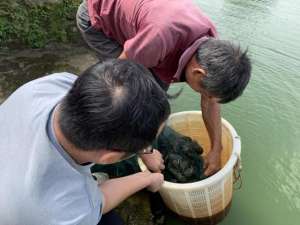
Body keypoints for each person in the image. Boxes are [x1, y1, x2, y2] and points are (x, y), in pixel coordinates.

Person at [76, 0, 252, 176]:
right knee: (135, 97)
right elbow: (119, 85)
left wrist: (216, 149)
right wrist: (146, 152)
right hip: (98, 19)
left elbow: (210, 102)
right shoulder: (159, 37)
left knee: (155, 96)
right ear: (198, 72)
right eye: (204, 93)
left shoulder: (211, 50)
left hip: (145, 34)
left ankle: (146, 135)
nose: (205, 97)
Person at [0, 59, 170, 225]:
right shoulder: (67, 211)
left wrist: (144, 150)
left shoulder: (55, 84)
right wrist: (146, 178)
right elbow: (100, 202)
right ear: (108, 158)